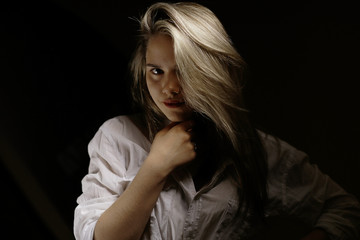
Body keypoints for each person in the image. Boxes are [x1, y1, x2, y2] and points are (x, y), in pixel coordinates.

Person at [73, 2, 360, 240]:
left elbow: (345, 208)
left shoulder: (256, 152)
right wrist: (154, 167)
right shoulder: (118, 137)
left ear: (210, 71)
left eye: (183, 70)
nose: (169, 87)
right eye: (156, 71)